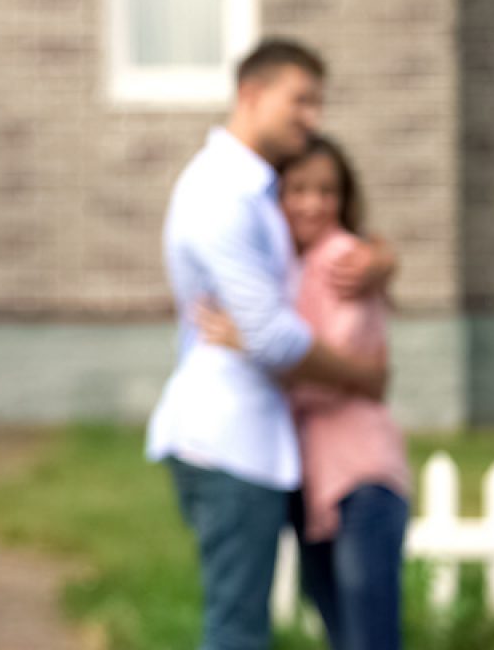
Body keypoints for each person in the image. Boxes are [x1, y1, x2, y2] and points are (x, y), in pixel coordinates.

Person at [145, 39, 391, 650]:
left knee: (252, 625)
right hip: (228, 441)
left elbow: (325, 250)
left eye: (318, 103)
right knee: (238, 630)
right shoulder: (220, 193)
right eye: (300, 100)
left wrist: (384, 259)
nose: (312, 117)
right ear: (251, 95)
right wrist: (362, 375)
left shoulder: (258, 189)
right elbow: (273, 336)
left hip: (263, 440)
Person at [198, 135, 410, 650]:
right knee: (342, 633)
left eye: (327, 191)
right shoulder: (286, 266)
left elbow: (337, 369)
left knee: (367, 638)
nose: (313, 203)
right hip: (312, 485)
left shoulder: (344, 260)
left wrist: (253, 345)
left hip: (362, 480)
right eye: (298, 189)